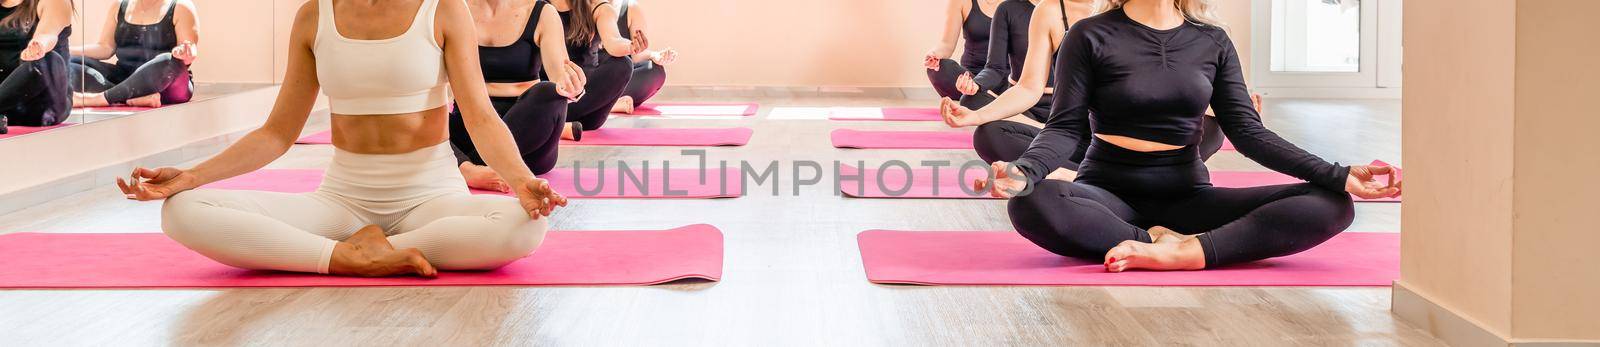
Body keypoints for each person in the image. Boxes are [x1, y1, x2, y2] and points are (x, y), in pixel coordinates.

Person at [116, 0, 568, 277]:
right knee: (182, 212)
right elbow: (277, 134)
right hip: (342, 201)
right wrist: (191, 177)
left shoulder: (443, 9)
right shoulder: (314, 17)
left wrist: (523, 180)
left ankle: (376, 250)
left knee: (526, 225)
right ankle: (346, 256)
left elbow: (481, 117)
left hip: (430, 197)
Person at [977, 0, 1401, 272]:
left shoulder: (1212, 40)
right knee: (1032, 202)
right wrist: (1025, 171)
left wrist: (1338, 174)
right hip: (1106, 192)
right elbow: (1065, 127)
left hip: (1188, 194)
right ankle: (1150, 241)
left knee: (1330, 203)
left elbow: (1248, 132)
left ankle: (1186, 252)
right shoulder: (1088, 35)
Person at [452, 0, 587, 193]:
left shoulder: (542, 13)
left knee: (549, 92)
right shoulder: (451, 9)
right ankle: (470, 170)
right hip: (472, 123)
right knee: (419, 115)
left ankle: (463, 164)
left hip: (528, 135)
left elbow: (559, 74)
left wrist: (572, 85)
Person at [69, 0, 198, 108]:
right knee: (70, 62)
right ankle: (131, 98)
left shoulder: (181, 6)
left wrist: (184, 53)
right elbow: (105, 47)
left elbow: (189, 49)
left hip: (165, 84)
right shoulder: (119, 6)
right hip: (125, 77)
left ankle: (98, 99)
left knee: (169, 61)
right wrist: (66, 51)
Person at [549, 0, 635, 140]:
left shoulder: (597, 7)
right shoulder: (539, 7)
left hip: (587, 108)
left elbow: (614, 41)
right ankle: (558, 124)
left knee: (623, 64)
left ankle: (556, 124)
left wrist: (631, 46)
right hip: (552, 95)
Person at [0, 0, 71, 134]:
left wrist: (40, 45)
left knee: (48, 60)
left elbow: (48, 34)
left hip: (41, 104)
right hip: (7, 106)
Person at [925, 0, 999, 105]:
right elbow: (946, 44)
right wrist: (934, 55)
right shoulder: (960, 2)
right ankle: (990, 100)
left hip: (1003, 77)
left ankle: (981, 100)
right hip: (969, 79)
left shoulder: (1018, 4)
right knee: (938, 69)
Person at [607, 0, 675, 114]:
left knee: (655, 71)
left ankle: (604, 105)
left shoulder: (630, 7)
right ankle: (608, 105)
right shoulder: (582, 7)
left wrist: (655, 56)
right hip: (591, 80)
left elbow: (637, 55)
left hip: (618, 78)